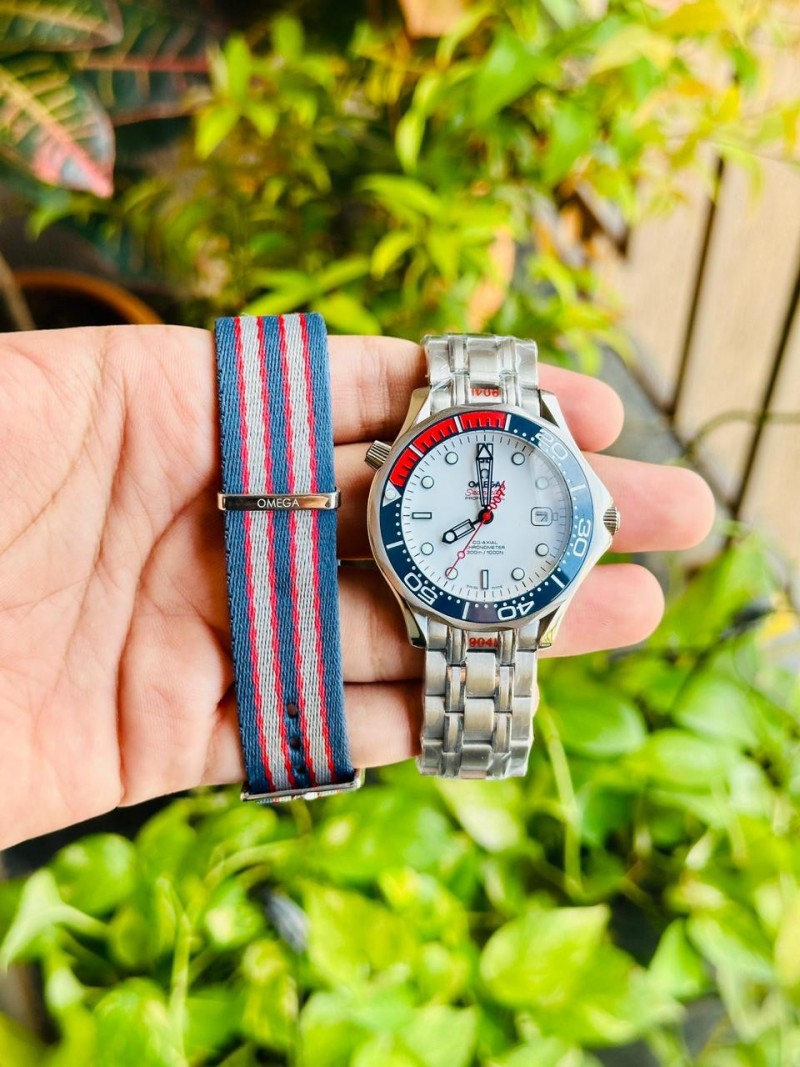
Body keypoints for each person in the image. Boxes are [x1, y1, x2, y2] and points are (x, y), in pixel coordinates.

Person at [0, 325, 715, 848]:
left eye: (494, 513)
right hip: (424, 589)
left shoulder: (564, 519)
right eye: (481, 513)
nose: (485, 519)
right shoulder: (411, 500)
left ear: (596, 520)